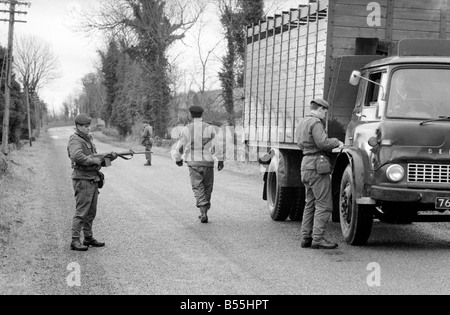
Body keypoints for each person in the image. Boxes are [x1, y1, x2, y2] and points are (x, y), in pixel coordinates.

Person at [296, 99, 344, 250]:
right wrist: (337, 142)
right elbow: (323, 143)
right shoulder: (316, 123)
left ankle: (306, 237)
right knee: (324, 204)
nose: (325, 114)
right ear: (321, 109)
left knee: (310, 203)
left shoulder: (302, 122)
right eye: (325, 111)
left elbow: (299, 144)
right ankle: (318, 239)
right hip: (317, 166)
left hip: (305, 164)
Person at [67, 114, 117, 251]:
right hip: (83, 180)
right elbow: (76, 156)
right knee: (82, 212)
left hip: (92, 179)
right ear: (78, 126)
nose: (88, 128)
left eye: (89, 125)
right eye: (85, 126)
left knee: (91, 212)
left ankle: (88, 237)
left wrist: (109, 158)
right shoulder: (75, 139)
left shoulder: (87, 139)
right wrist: (93, 161)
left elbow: (96, 159)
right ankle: (75, 240)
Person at [172, 106, 224, 223]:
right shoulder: (209, 128)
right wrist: (220, 159)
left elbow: (181, 147)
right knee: (207, 187)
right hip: (208, 162)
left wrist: (178, 159)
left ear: (191, 115)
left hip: (193, 162)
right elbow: (216, 145)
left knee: (197, 187)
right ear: (202, 115)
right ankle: (205, 210)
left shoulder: (187, 129)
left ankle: (203, 212)